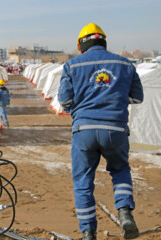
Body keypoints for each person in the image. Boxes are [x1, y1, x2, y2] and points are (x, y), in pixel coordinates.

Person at [58, 23, 143, 240]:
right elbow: (137, 97)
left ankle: (88, 233)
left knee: (83, 182)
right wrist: (113, 100)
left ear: (81, 45)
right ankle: (124, 213)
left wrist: (80, 107)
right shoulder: (125, 64)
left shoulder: (72, 65)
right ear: (103, 41)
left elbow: (65, 100)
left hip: (84, 130)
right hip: (116, 129)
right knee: (120, 170)